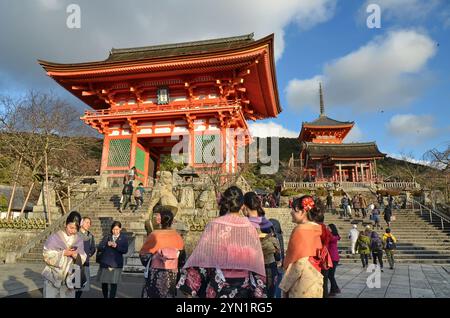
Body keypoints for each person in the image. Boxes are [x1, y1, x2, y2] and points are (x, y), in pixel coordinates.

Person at [177, 186, 267, 298]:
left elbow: (202, 258)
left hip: (218, 284)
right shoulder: (250, 228)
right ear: (242, 206)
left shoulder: (214, 225)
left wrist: (190, 287)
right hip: (243, 287)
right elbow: (256, 260)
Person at [279, 195, 328, 298]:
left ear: (303, 212)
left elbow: (298, 262)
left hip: (301, 283)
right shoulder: (318, 228)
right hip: (315, 278)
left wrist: (284, 286)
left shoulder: (301, 230)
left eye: (294, 210)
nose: (291, 212)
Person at [140, 207, 184, 298]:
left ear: (161, 221)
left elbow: (143, 255)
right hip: (172, 273)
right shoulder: (177, 236)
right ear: (171, 221)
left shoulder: (154, 235)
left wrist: (154, 259)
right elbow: (182, 259)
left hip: (155, 272)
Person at [243, 192, 280, 298]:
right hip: (271, 266)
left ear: (245, 206)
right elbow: (276, 244)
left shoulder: (247, 224)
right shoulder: (267, 222)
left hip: (256, 268)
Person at [42, 211, 87, 298]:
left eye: (75, 229)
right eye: (71, 227)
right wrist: (63, 253)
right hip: (53, 277)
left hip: (70, 279)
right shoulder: (55, 238)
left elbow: (83, 257)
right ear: (66, 224)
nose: (73, 231)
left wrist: (76, 256)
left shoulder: (78, 240)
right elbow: (46, 255)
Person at [96, 221, 129, 298]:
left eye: (117, 229)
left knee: (113, 283)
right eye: (114, 229)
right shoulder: (107, 237)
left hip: (116, 264)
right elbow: (100, 246)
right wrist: (106, 244)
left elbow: (125, 250)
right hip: (105, 262)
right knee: (104, 283)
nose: (115, 231)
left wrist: (116, 246)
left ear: (120, 229)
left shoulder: (124, 238)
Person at [75, 217, 96, 298]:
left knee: (82, 285)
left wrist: (89, 254)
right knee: (76, 285)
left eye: (89, 223)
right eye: (86, 222)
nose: (88, 224)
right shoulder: (75, 234)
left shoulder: (90, 236)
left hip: (85, 263)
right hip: (76, 263)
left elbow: (93, 248)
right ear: (81, 223)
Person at [269, 218, 285, 298]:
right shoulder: (279, 236)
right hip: (279, 262)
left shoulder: (272, 237)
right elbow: (282, 248)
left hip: (273, 263)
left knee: (273, 283)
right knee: (278, 282)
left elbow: (279, 249)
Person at [327, 224, 341, 296]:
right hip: (330, 257)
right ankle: (335, 288)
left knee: (330, 275)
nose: (327, 229)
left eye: (328, 228)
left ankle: (334, 290)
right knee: (330, 275)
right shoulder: (331, 236)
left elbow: (330, 239)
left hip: (333, 258)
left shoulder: (334, 237)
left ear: (332, 229)